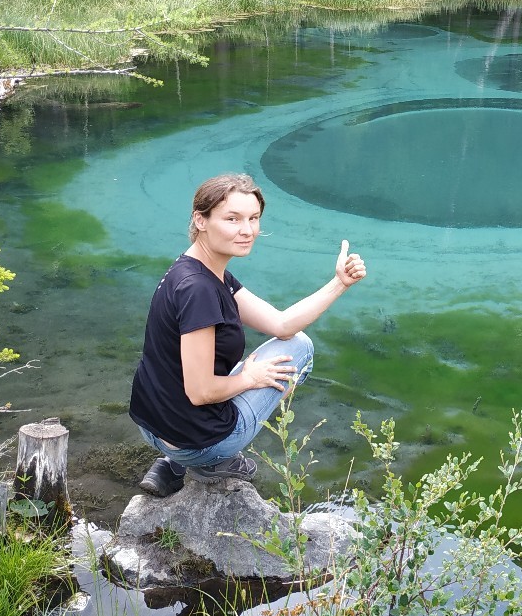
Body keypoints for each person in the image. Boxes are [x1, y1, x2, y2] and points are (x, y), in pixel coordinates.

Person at [129, 172, 367, 497]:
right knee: (301, 350)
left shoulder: (197, 271)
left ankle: (172, 463)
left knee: (283, 343)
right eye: (232, 219)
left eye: (253, 218)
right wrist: (250, 378)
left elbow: (281, 324)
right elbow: (200, 392)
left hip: (152, 425)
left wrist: (339, 283)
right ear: (201, 220)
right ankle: (209, 459)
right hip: (190, 439)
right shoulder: (199, 290)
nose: (247, 230)